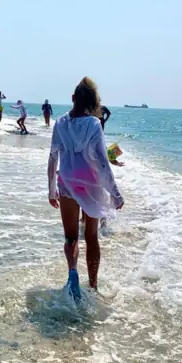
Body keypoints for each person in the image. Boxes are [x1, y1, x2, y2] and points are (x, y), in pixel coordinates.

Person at [47, 77, 124, 302]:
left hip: (67, 183)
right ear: (93, 103)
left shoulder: (60, 123)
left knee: (71, 237)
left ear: (72, 99)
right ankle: (92, 286)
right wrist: (116, 194)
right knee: (91, 237)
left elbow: (52, 157)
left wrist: (51, 189)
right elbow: (102, 161)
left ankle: (72, 272)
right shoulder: (94, 124)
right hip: (91, 183)